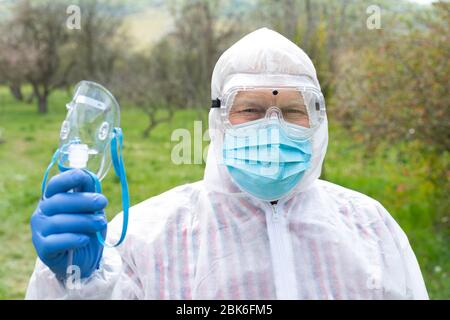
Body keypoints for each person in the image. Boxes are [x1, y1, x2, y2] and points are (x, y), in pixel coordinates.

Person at [26, 28, 428, 299]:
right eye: (251, 109)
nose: (274, 128)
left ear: (318, 121)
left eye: (292, 111)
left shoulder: (371, 226)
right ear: (218, 121)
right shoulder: (145, 238)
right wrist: (76, 283)